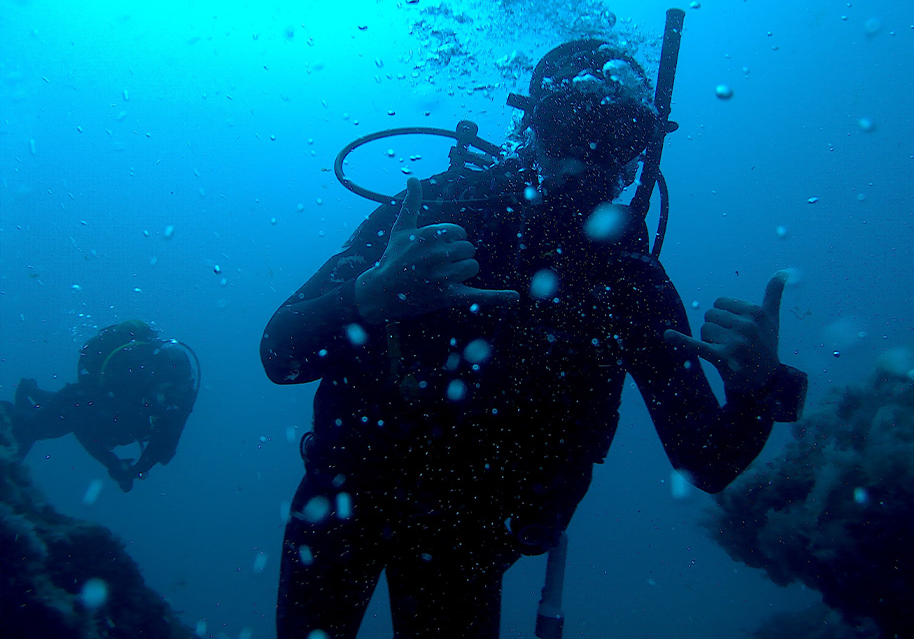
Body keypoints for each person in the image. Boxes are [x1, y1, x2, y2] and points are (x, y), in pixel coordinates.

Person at [260, 39, 808, 639]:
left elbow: (708, 462)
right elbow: (280, 355)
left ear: (640, 151)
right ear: (533, 126)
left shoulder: (626, 280)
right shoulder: (438, 213)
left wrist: (756, 390)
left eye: (615, 133)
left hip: (470, 544)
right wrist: (366, 296)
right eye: (567, 124)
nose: (585, 156)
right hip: (342, 503)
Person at [2, 320, 199, 492]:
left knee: (52, 421)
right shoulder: (133, 384)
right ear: (159, 379)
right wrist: (113, 464)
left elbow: (164, 449)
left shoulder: (177, 399)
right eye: (168, 391)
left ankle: (31, 393)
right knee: (34, 427)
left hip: (91, 406)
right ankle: (19, 406)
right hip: (81, 403)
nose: (170, 400)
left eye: (177, 392)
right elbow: (84, 426)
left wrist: (133, 470)